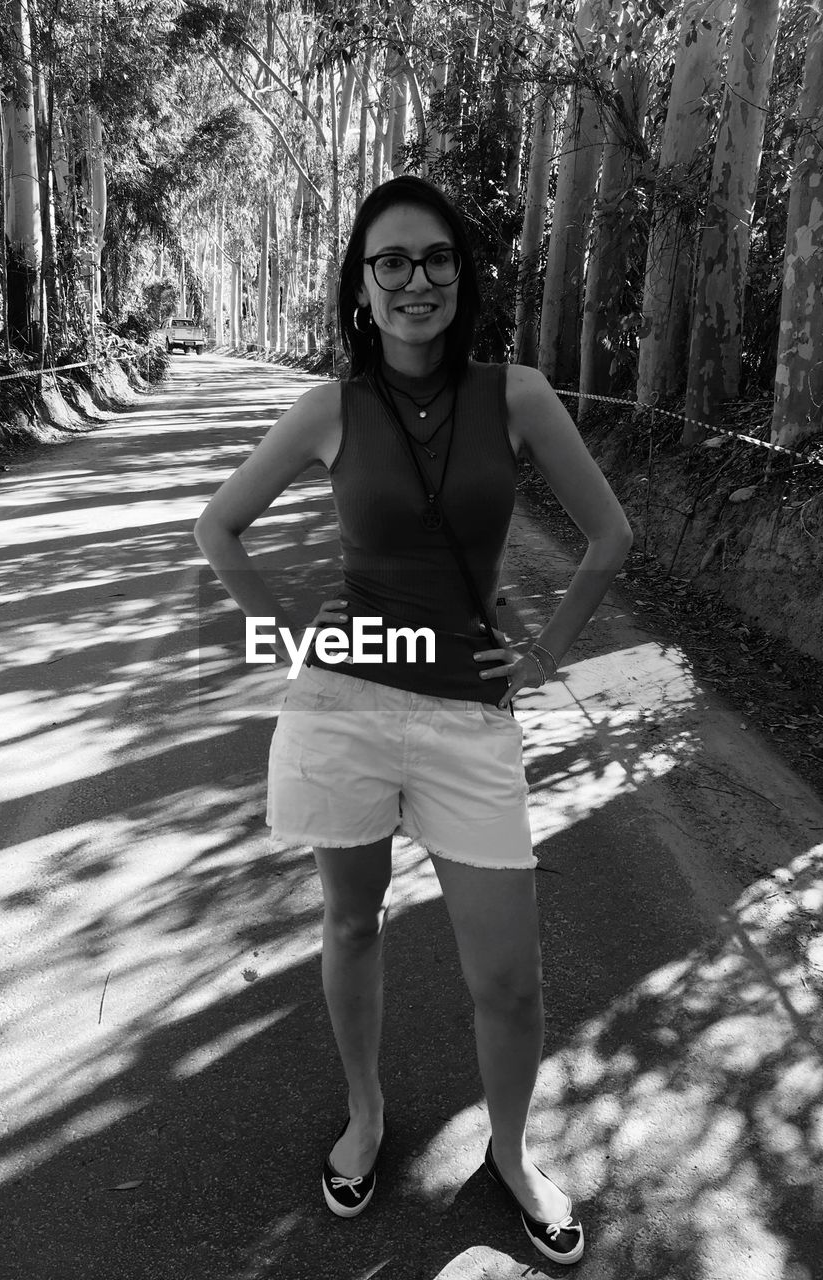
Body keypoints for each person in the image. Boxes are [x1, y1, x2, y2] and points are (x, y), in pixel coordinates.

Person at [194, 175, 632, 1266]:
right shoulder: (330, 409)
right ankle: (367, 1113)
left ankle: (515, 1151)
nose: (415, 280)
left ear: (461, 274)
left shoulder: (518, 394)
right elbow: (221, 526)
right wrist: (298, 642)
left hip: (469, 718)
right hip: (340, 709)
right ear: (361, 285)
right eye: (389, 261)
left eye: (434, 257)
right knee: (351, 924)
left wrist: (541, 655)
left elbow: (610, 536)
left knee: (510, 975)